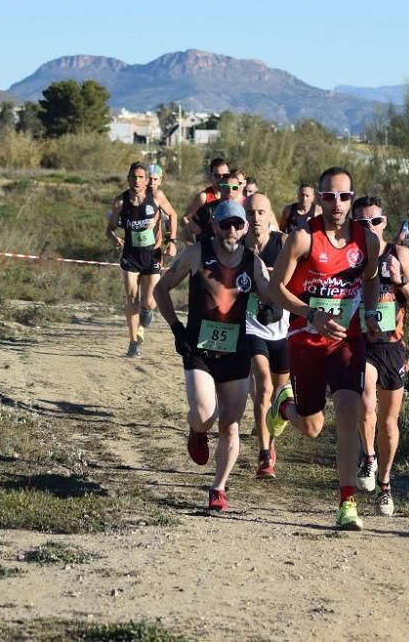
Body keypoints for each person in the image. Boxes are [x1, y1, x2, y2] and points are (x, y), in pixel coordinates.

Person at [266, 167, 381, 531]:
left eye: (345, 196)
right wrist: (310, 313)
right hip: (306, 339)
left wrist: (373, 313)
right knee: (313, 427)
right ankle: (285, 407)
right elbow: (274, 288)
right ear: (318, 197)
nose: (337, 204)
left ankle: (347, 503)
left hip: (347, 340)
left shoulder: (367, 240)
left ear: (352, 198)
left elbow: (372, 278)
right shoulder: (302, 239)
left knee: (350, 410)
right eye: (329, 196)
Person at [152, 200, 272, 511]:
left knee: (231, 424)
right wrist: (177, 328)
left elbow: (270, 295)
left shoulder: (253, 262)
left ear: (244, 227)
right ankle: (197, 429)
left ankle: (218, 488)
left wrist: (271, 308)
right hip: (199, 348)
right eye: (225, 224)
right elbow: (161, 289)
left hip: (236, 351)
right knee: (206, 415)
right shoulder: (197, 254)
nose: (231, 230)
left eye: (237, 224)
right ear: (215, 227)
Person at [351, 195, 409, 516]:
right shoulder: (349, 256)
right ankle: (368, 457)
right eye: (362, 223)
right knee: (366, 400)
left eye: (375, 222)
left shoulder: (400, 254)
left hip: (393, 348)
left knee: (389, 422)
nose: (370, 228)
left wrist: (401, 281)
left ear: (385, 223)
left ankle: (385, 483)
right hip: (360, 344)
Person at [106, 162, 178, 358]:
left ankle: (147, 311)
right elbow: (109, 229)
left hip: (152, 255)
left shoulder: (156, 197)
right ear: (128, 179)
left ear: (146, 181)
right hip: (130, 255)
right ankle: (133, 342)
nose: (137, 181)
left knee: (150, 301)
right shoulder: (120, 202)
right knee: (131, 298)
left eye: (140, 177)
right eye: (133, 177)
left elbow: (172, 214)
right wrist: (114, 239)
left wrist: (171, 241)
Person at [242, 194, 290, 479]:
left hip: (281, 329)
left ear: (269, 214)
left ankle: (271, 445)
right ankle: (263, 455)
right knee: (263, 386)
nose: (255, 218)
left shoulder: (283, 244)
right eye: (250, 212)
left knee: (278, 395)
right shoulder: (237, 246)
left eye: (260, 212)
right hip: (250, 327)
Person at [182, 158, 229, 242]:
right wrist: (193, 248)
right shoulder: (204, 197)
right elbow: (184, 220)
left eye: (225, 176)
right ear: (211, 176)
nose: (221, 179)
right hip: (206, 249)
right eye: (217, 176)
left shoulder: (232, 196)